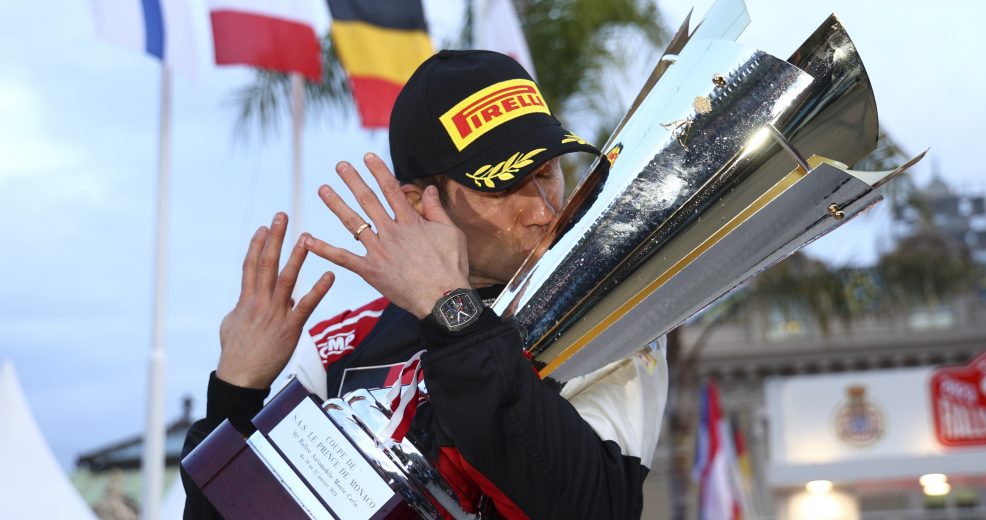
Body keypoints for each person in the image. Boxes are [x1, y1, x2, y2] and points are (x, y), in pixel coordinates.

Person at [181, 50, 668, 519]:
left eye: (548, 172)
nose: (544, 209)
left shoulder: (612, 317)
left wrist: (452, 316)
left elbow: (594, 508)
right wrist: (235, 396)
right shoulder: (339, 347)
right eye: (505, 184)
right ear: (417, 203)